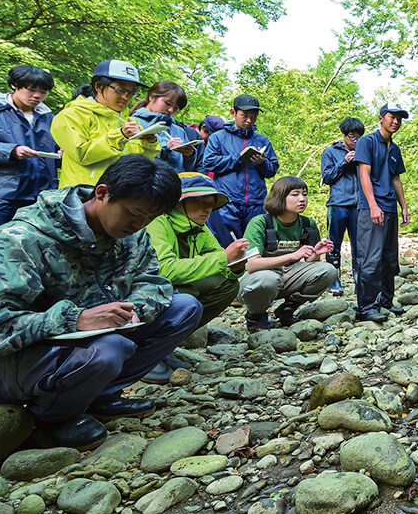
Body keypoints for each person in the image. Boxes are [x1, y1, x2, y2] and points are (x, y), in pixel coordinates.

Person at [0, 155, 201, 450]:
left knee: (184, 308)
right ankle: (50, 418)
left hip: (83, 348)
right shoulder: (20, 240)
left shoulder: (133, 236)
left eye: (150, 218)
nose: (140, 224)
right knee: (110, 348)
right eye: (134, 213)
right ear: (102, 193)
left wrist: (134, 310)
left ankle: (100, 395)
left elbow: (152, 281)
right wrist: (74, 319)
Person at [144, 172, 248, 381]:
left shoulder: (198, 226)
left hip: (171, 290)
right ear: (178, 203)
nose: (207, 208)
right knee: (187, 300)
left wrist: (236, 266)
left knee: (227, 284)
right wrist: (224, 259)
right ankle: (144, 354)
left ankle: (164, 347)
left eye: (210, 203)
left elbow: (220, 261)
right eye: (199, 202)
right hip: (144, 293)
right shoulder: (157, 222)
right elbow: (162, 270)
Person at [0, 66, 58, 255]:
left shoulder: (48, 117)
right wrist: (11, 151)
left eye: (43, 92)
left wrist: (61, 154)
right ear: (14, 86)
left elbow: (54, 151)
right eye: (31, 89)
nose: (37, 96)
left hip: (39, 193)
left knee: (30, 247)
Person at [238, 176, 337, 332]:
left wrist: (315, 254)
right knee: (267, 279)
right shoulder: (260, 223)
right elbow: (251, 265)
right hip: (257, 280)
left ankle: (286, 310)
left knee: (328, 270)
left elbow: (309, 261)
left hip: (287, 276)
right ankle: (256, 317)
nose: (302, 199)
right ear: (279, 197)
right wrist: (292, 256)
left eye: (305, 194)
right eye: (295, 194)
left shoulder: (307, 224)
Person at [52, 60, 160, 187]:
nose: (126, 97)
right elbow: (82, 154)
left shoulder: (130, 122)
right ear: (98, 87)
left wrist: (149, 143)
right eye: (120, 90)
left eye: (132, 93)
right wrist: (120, 136)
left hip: (120, 195)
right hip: (82, 196)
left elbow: (141, 160)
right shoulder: (71, 115)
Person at [354, 103, 411, 323]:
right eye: (391, 117)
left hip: (390, 208)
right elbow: (364, 175)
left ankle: (386, 301)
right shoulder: (367, 142)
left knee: (389, 258)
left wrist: (403, 206)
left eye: (399, 118)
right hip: (371, 208)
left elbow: (396, 179)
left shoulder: (395, 149)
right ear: (380, 118)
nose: (395, 121)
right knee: (370, 258)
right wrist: (373, 204)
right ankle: (366, 307)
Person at [199, 95, 279, 246]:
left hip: (256, 203)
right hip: (227, 203)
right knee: (226, 247)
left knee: (254, 247)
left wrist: (262, 163)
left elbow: (272, 170)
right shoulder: (218, 138)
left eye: (253, 117)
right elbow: (209, 163)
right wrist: (238, 158)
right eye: (245, 116)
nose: (249, 120)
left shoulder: (262, 140)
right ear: (233, 113)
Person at [321, 117, 365, 298]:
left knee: (359, 246)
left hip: (359, 206)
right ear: (343, 134)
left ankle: (359, 280)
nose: (355, 141)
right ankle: (334, 280)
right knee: (333, 245)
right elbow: (327, 177)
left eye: (358, 137)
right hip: (337, 204)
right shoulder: (330, 152)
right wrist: (344, 162)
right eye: (352, 137)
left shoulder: (364, 151)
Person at [130, 81, 199, 173]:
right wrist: (166, 150)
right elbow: (132, 161)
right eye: (167, 103)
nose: (171, 110)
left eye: (176, 108)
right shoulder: (133, 123)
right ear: (151, 97)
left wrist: (190, 155)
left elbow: (187, 169)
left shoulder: (179, 131)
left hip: (177, 184)